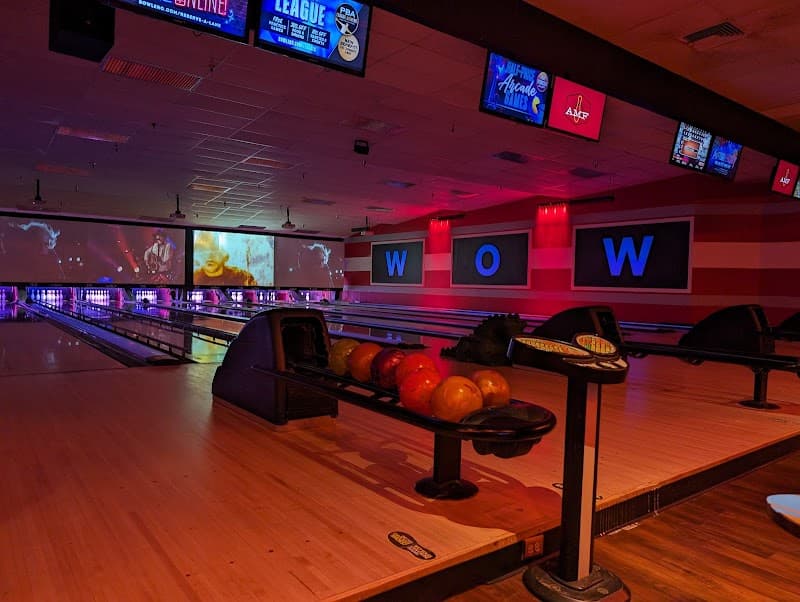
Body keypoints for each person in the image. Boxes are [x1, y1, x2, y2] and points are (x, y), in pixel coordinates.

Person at [193, 232, 257, 286]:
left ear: (224, 254)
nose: (209, 256)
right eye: (203, 251)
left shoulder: (242, 277)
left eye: (214, 249)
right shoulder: (193, 277)